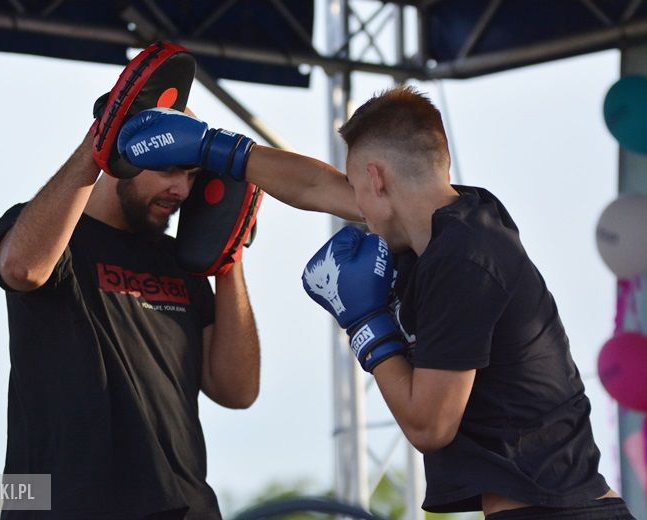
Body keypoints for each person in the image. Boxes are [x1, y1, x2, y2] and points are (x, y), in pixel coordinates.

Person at [117, 86, 634, 519]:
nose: (353, 205)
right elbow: (317, 185)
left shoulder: (464, 261)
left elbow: (430, 426)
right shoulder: (446, 223)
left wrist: (366, 323)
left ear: (377, 179)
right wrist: (216, 149)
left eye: (357, 186)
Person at [0, 115, 260, 517]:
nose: (181, 189)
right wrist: (97, 144)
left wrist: (228, 258)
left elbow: (238, 390)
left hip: (184, 507)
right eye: (168, 168)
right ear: (124, 156)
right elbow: (22, 269)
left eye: (192, 175)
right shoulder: (52, 233)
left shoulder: (181, 263)